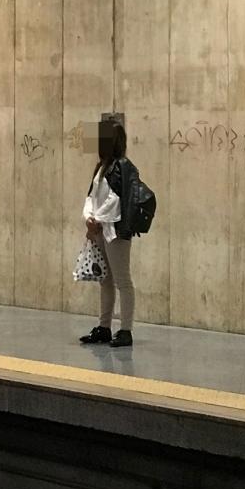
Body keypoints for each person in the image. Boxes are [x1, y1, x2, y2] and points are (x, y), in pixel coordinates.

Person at [79, 119, 137, 349]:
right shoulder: (101, 167)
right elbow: (91, 197)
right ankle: (104, 327)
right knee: (105, 280)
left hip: (116, 232)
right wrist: (88, 218)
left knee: (123, 281)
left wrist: (97, 220)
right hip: (101, 230)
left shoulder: (123, 166)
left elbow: (117, 199)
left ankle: (126, 330)